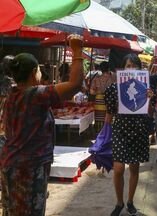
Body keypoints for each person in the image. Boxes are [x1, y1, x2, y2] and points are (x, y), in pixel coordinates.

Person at [0, 35, 84, 216]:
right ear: (34, 72)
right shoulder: (36, 95)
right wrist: (77, 50)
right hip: (28, 168)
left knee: (13, 211)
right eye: (39, 70)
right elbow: (75, 84)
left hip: (12, 164)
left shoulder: (12, 96)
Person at [105, 54, 152, 216]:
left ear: (140, 69)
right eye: (128, 66)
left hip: (139, 129)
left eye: (134, 66)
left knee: (134, 167)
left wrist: (149, 98)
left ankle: (130, 202)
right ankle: (119, 202)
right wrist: (105, 133)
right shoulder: (113, 89)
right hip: (120, 130)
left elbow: (150, 112)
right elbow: (110, 114)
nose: (131, 69)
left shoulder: (146, 88)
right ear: (123, 69)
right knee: (118, 169)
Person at [90, 61, 115, 130]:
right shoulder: (113, 79)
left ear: (101, 69)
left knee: (99, 119)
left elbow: (91, 92)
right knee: (109, 118)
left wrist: (99, 92)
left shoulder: (96, 79)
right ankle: (107, 134)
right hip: (110, 101)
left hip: (99, 101)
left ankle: (99, 134)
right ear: (109, 68)